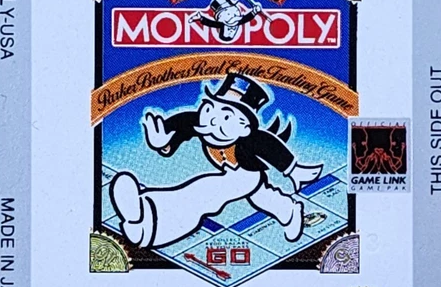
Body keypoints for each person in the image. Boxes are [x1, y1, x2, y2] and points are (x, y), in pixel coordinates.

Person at [110, 74, 323, 249]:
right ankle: (289, 211)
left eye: (226, 116)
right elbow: (183, 124)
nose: (212, 118)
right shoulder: (204, 122)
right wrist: (164, 142)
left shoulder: (251, 139)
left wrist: (294, 170)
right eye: (210, 108)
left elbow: (271, 147)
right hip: (231, 172)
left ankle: (153, 224)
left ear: (244, 127)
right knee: (261, 196)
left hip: (246, 173)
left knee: (205, 193)